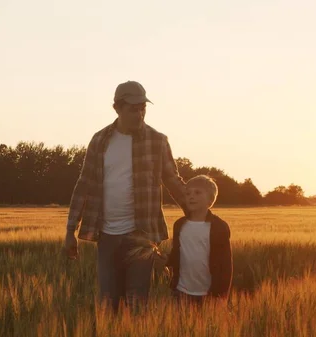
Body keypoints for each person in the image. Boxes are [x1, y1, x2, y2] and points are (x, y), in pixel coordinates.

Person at [63, 80, 187, 312]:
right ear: (117, 108)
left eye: (143, 108)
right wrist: (70, 230)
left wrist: (197, 212)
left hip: (142, 235)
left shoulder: (157, 140)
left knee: (138, 305)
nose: (139, 114)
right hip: (107, 235)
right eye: (133, 108)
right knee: (108, 304)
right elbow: (84, 184)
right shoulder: (99, 140)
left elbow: (173, 180)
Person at [165, 175, 233, 307]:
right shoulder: (179, 225)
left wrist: (221, 295)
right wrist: (164, 260)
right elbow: (176, 253)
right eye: (188, 193)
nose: (191, 196)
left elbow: (225, 265)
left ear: (210, 200)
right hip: (181, 291)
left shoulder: (219, 227)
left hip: (208, 294)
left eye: (197, 193)